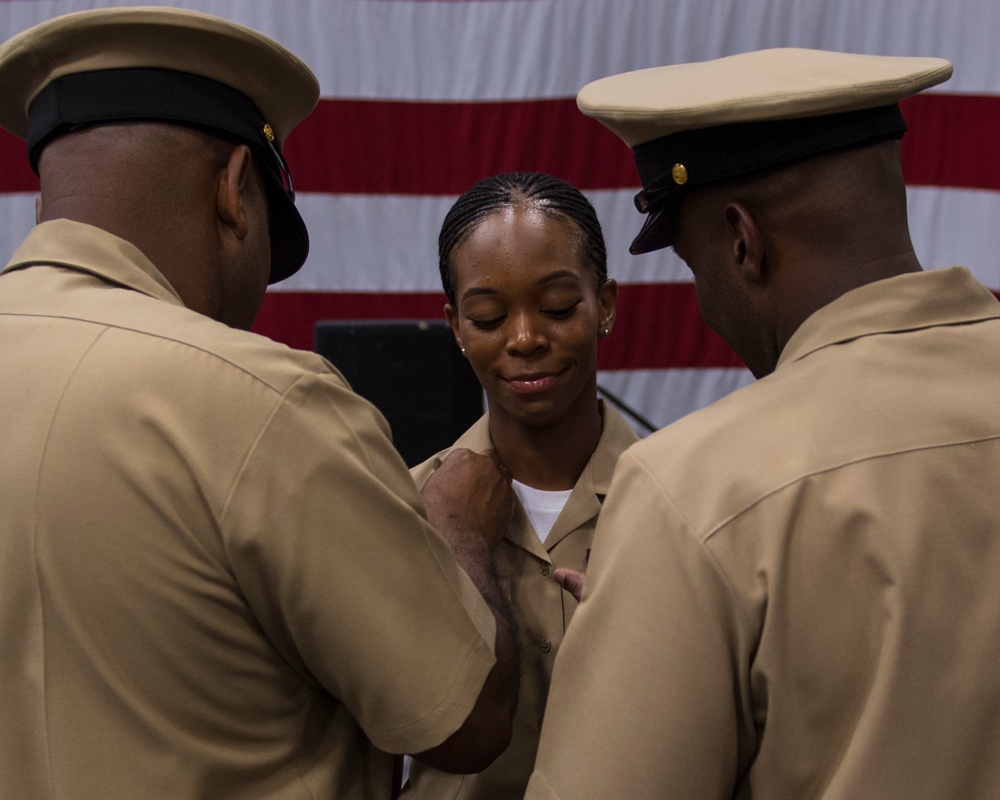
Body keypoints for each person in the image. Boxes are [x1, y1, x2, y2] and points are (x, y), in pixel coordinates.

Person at [0, 8, 519, 800]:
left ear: (45, 207)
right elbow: (467, 719)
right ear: (236, 190)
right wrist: (460, 533)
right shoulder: (261, 401)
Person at [525, 48, 1000, 799]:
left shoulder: (696, 490)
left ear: (742, 241)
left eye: (693, 262)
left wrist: (645, 636)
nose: (706, 304)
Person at [401, 172, 639, 799]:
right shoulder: (401, 505)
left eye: (559, 307)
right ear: (454, 325)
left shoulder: (683, 498)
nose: (526, 338)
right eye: (488, 316)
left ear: (606, 304)